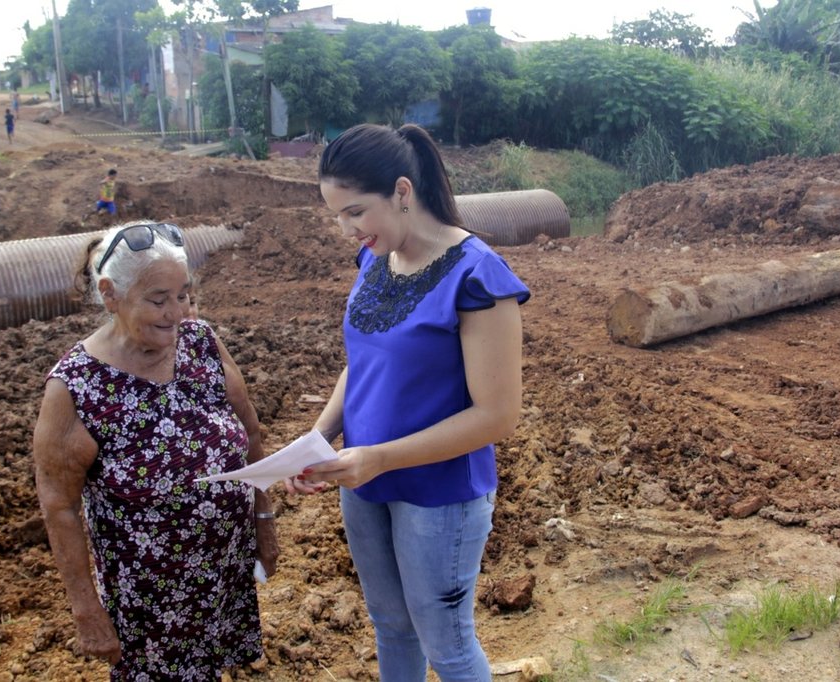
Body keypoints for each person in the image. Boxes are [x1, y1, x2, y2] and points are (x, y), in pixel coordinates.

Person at [286, 123, 530, 681]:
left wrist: (380, 456)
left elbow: (497, 415)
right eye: (336, 217)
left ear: (401, 191)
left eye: (354, 212)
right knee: (391, 628)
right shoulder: (376, 260)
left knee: (447, 645)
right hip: (365, 482)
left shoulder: (476, 275)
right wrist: (321, 436)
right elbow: (365, 363)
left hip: (438, 494)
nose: (346, 229)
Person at [33, 220, 279, 679]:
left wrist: (262, 521)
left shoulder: (202, 343)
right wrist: (85, 608)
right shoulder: (78, 388)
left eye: (184, 294)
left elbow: (249, 434)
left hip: (222, 571)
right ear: (110, 294)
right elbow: (58, 505)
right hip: (149, 601)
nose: (179, 312)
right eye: (159, 300)